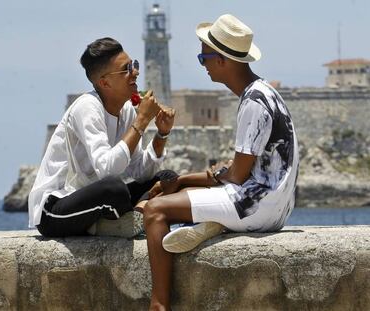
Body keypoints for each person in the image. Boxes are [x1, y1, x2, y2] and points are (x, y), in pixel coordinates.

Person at [140, 14, 299, 310]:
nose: (203, 65)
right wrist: (189, 180)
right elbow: (242, 168)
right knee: (183, 195)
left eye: (204, 58)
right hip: (277, 205)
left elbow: (237, 176)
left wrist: (187, 180)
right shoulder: (266, 92)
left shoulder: (253, 102)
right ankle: (214, 223)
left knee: (155, 210)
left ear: (223, 60)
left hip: (257, 206)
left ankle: (158, 303)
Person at [28, 37, 176, 237]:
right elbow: (107, 169)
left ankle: (135, 217)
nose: (135, 72)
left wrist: (162, 134)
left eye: (134, 65)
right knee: (114, 188)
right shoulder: (87, 107)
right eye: (126, 69)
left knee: (167, 180)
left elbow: (141, 172)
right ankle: (121, 223)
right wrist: (141, 122)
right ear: (104, 82)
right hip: (54, 209)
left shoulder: (126, 110)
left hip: (96, 201)